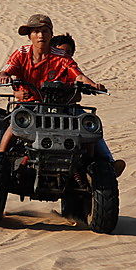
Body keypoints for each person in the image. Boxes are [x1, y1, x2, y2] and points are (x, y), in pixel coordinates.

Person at [49, 33, 126, 176]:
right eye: (61, 51)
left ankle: (104, 164)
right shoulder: (44, 65)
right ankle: (2, 157)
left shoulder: (69, 66)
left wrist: (92, 85)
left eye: (69, 53)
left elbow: (80, 77)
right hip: (41, 108)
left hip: (70, 110)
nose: (65, 55)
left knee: (90, 127)